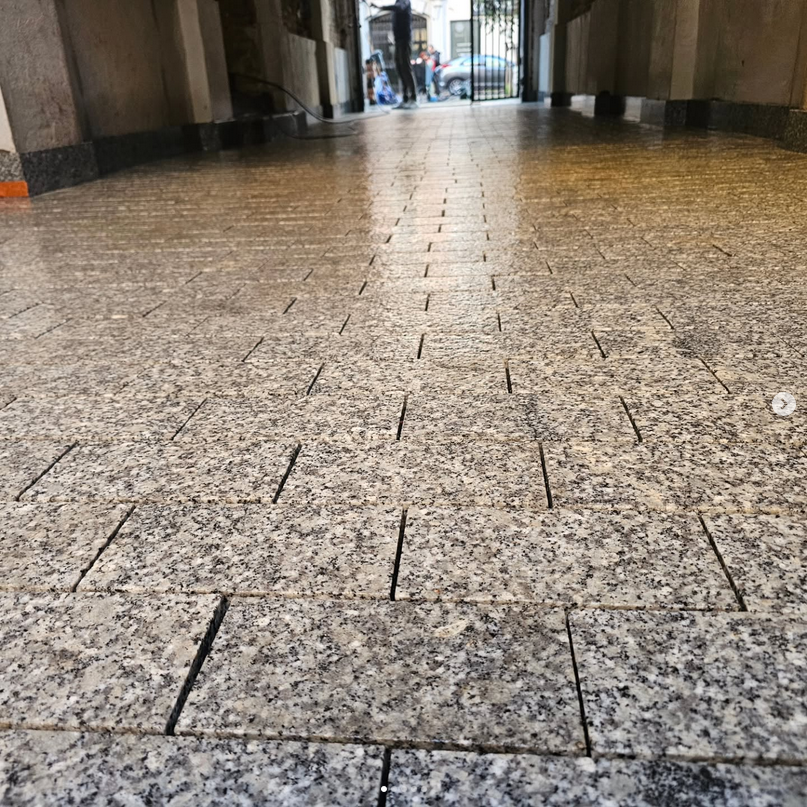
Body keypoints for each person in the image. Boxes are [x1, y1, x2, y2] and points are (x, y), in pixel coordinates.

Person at [371, 0, 417, 109]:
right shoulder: (399, 2)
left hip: (405, 40)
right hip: (398, 40)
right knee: (400, 69)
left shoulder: (404, 1)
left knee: (406, 68)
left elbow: (399, 7)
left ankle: (413, 98)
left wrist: (381, 7)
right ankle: (405, 98)